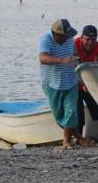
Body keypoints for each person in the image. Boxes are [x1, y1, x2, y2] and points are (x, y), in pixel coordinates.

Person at [38, 18, 89, 148]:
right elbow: (42, 58)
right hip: (51, 82)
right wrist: (62, 60)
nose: (67, 38)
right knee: (59, 114)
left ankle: (66, 141)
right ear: (56, 34)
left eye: (68, 36)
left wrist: (83, 77)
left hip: (70, 81)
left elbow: (75, 55)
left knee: (71, 110)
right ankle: (77, 136)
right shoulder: (46, 39)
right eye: (64, 36)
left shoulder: (69, 39)